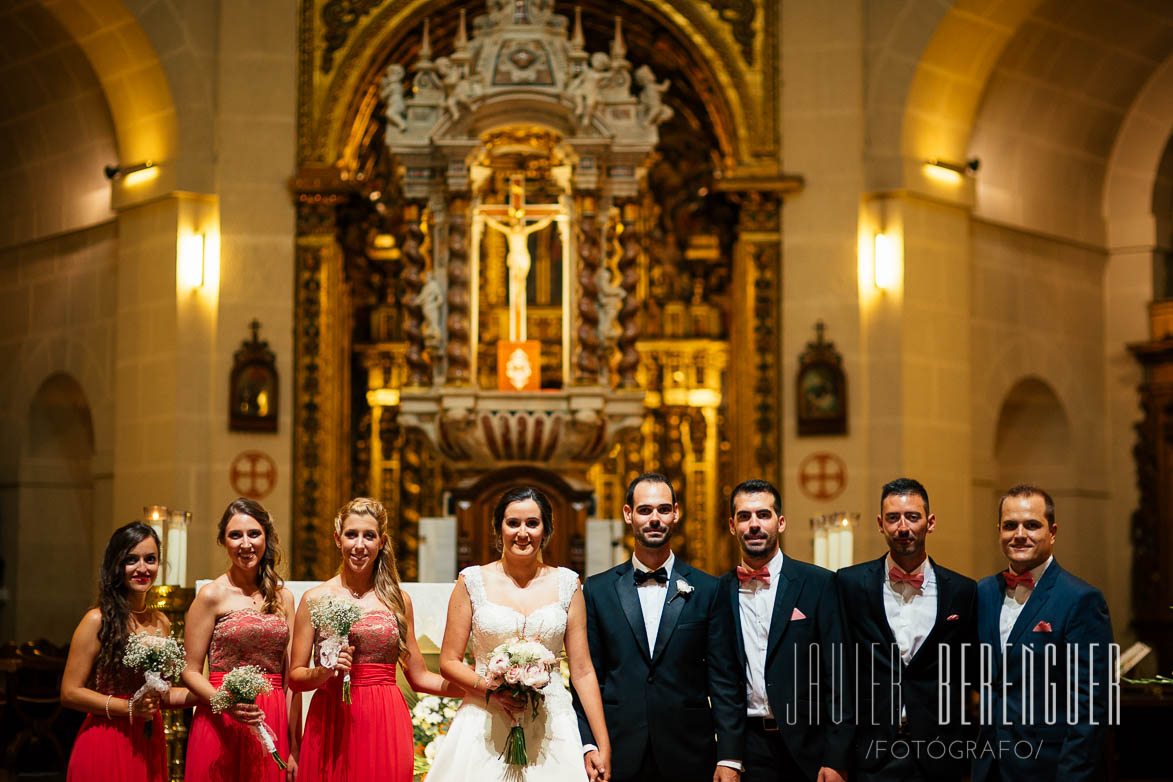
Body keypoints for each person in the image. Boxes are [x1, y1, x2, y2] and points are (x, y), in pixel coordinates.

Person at [427, 487, 612, 782]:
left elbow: (582, 671)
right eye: (513, 523)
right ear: (499, 527)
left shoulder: (567, 583)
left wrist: (602, 744)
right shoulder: (471, 581)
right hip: (483, 718)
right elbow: (449, 661)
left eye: (532, 523)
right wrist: (491, 689)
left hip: (552, 720)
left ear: (546, 529)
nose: (522, 533)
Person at [577, 473, 743, 782]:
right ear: (628, 515)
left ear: (676, 513)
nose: (655, 518)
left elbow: (725, 679)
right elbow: (587, 675)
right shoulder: (598, 590)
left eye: (664, 509)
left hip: (690, 753)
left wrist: (730, 757)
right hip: (616, 749)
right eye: (645, 510)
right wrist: (588, 743)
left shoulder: (708, 589)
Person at [290, 497, 461, 781]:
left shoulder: (397, 601)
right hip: (332, 718)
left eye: (369, 536)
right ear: (337, 538)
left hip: (385, 718)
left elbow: (418, 676)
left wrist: (474, 688)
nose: (359, 545)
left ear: (381, 542)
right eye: (351, 535)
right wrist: (324, 672)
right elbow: (295, 678)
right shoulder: (315, 599)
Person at [835, 478, 977, 781]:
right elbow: (838, 672)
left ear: (930, 522)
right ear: (880, 524)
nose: (903, 527)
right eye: (893, 518)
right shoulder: (850, 584)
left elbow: (970, 674)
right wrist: (836, 754)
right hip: (873, 755)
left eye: (912, 516)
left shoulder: (963, 591)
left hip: (941, 754)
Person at [972, 484, 1114, 782]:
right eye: (1010, 525)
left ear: (1053, 531)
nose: (1020, 534)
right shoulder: (983, 592)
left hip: (1050, 770)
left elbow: (1091, 707)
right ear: (999, 530)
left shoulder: (1081, 599)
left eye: (1032, 525)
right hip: (990, 767)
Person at [719, 478, 850, 782]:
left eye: (763, 515)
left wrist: (836, 756)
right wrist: (728, 754)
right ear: (731, 525)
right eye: (744, 516)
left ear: (780, 522)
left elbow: (839, 673)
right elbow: (721, 677)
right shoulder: (719, 592)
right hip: (748, 746)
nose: (754, 524)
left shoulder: (818, 584)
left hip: (809, 745)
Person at [63, 522, 191, 781]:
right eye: (132, 560)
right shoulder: (97, 620)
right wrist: (128, 707)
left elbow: (160, 694)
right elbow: (69, 692)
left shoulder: (161, 622)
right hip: (106, 738)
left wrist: (214, 697)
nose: (142, 568)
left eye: (150, 559)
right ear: (116, 565)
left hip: (148, 739)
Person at [183, 499, 297, 781]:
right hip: (221, 715)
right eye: (235, 535)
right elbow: (189, 670)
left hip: (272, 714)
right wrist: (225, 702)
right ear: (223, 540)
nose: (245, 544)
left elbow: (290, 677)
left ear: (266, 537)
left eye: (254, 534)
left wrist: (294, 745)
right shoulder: (212, 595)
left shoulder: (284, 598)